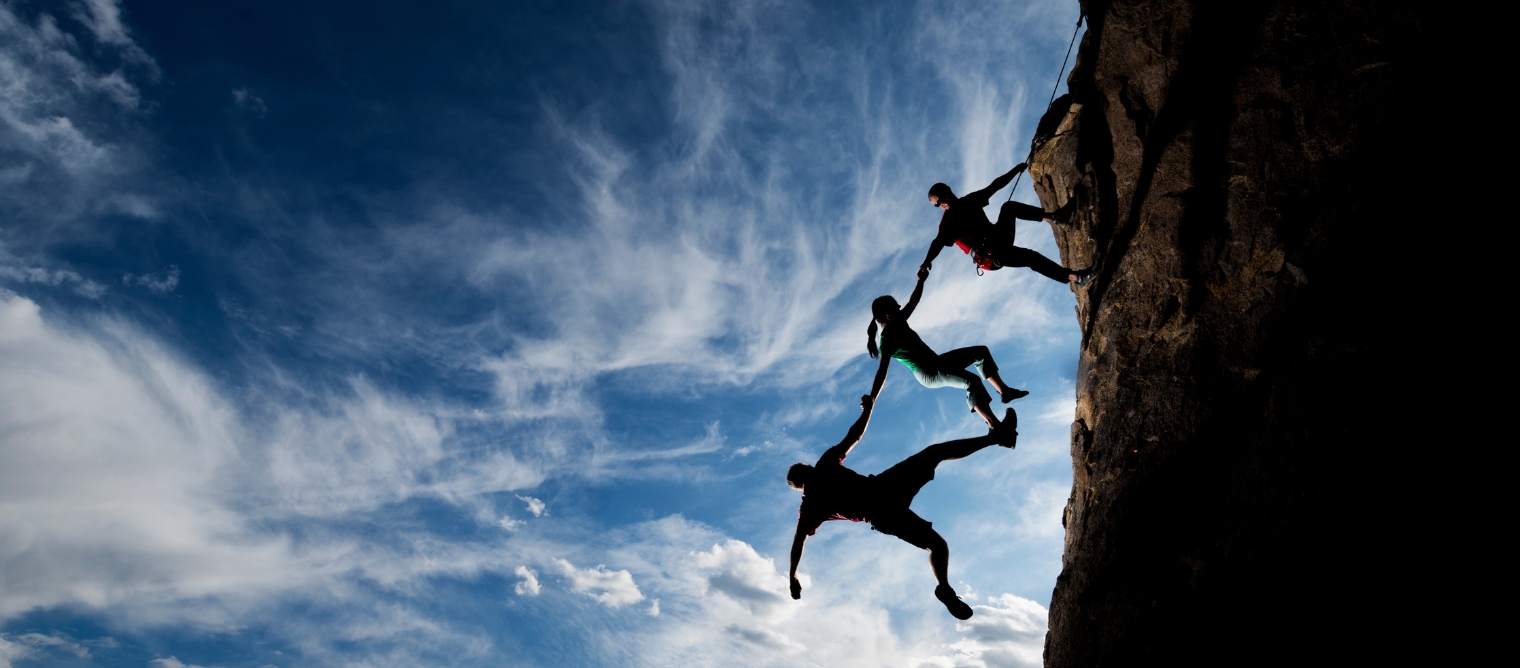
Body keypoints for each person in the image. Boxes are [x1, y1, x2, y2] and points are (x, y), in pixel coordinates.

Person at [787, 395, 1019, 619]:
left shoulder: (809, 507)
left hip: (881, 517)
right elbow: (854, 436)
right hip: (883, 489)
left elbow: (799, 541)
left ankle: (944, 587)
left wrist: (792, 575)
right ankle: (998, 437)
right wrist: (867, 410)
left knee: (937, 545)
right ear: (806, 468)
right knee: (935, 453)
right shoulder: (824, 464)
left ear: (799, 486)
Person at [867, 266, 1025, 431]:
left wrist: (920, 282)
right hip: (928, 372)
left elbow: (913, 301)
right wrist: (872, 398)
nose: (900, 310)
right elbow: (881, 372)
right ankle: (996, 427)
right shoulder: (887, 339)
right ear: (887, 314)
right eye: (896, 308)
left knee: (980, 353)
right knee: (971, 381)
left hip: (937, 362)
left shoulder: (897, 322)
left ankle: (1005, 392)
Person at [921, 163, 1092, 285]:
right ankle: (1075, 277)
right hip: (990, 256)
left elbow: (993, 187)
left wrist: (1015, 171)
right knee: (1030, 257)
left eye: (941, 198)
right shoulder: (948, 222)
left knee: (1008, 207)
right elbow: (938, 242)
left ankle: (1055, 217)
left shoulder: (970, 201)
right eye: (937, 204)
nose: (941, 204)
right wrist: (927, 261)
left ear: (948, 191)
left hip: (998, 237)